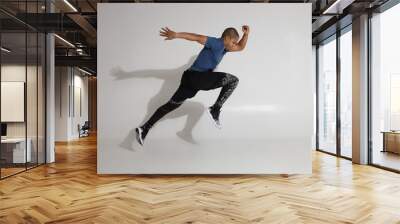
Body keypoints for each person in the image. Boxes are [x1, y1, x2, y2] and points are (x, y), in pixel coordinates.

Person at [135, 25, 250, 146]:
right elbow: (197, 37)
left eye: (234, 43)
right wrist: (176, 35)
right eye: (233, 42)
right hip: (196, 77)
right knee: (233, 80)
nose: (234, 45)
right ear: (226, 38)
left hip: (190, 79)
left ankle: (144, 128)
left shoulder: (225, 49)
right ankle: (215, 109)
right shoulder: (216, 43)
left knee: (171, 105)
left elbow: (241, 47)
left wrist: (246, 34)